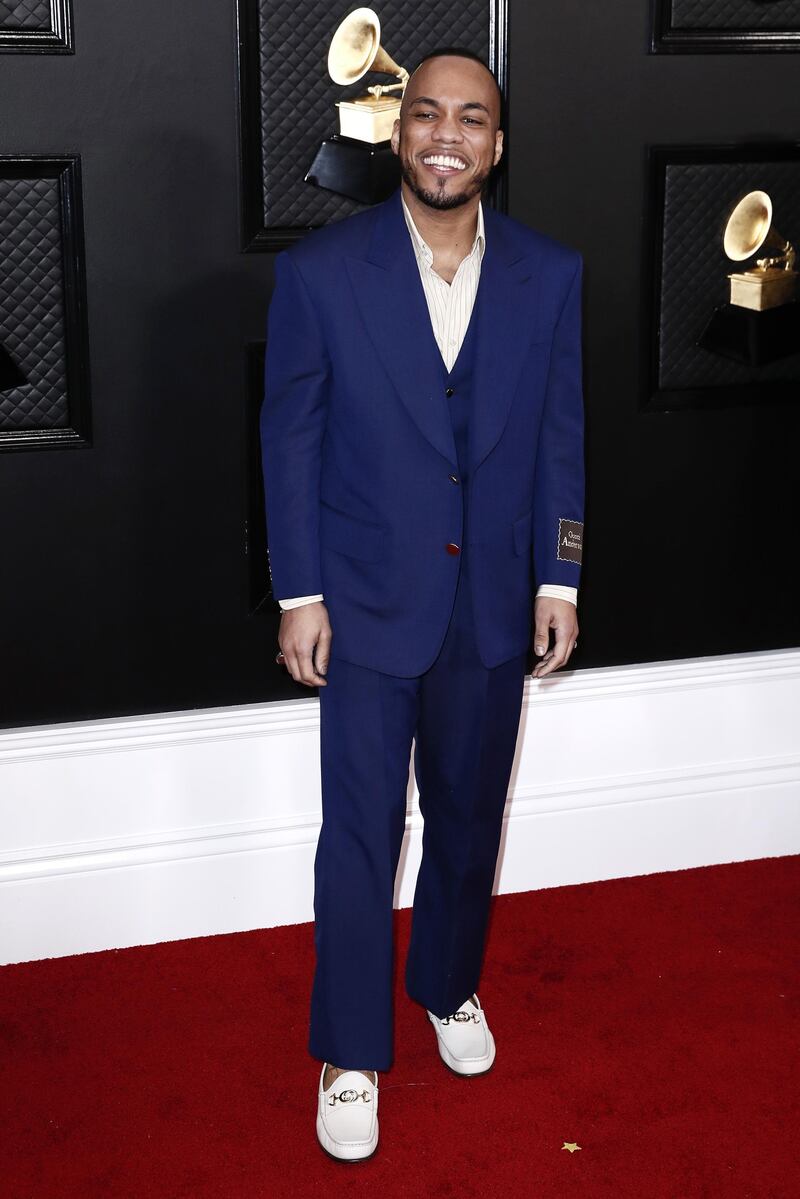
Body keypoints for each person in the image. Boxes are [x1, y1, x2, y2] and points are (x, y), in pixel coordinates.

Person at [260, 46, 584, 1162]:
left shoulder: (550, 273)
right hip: (358, 605)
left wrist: (559, 576)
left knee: (466, 818)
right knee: (356, 833)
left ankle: (447, 983)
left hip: (494, 604)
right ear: (397, 135)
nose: (446, 135)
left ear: (496, 143)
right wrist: (298, 591)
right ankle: (349, 1047)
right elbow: (288, 441)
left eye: (472, 119)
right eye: (427, 115)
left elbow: (559, 437)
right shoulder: (318, 274)